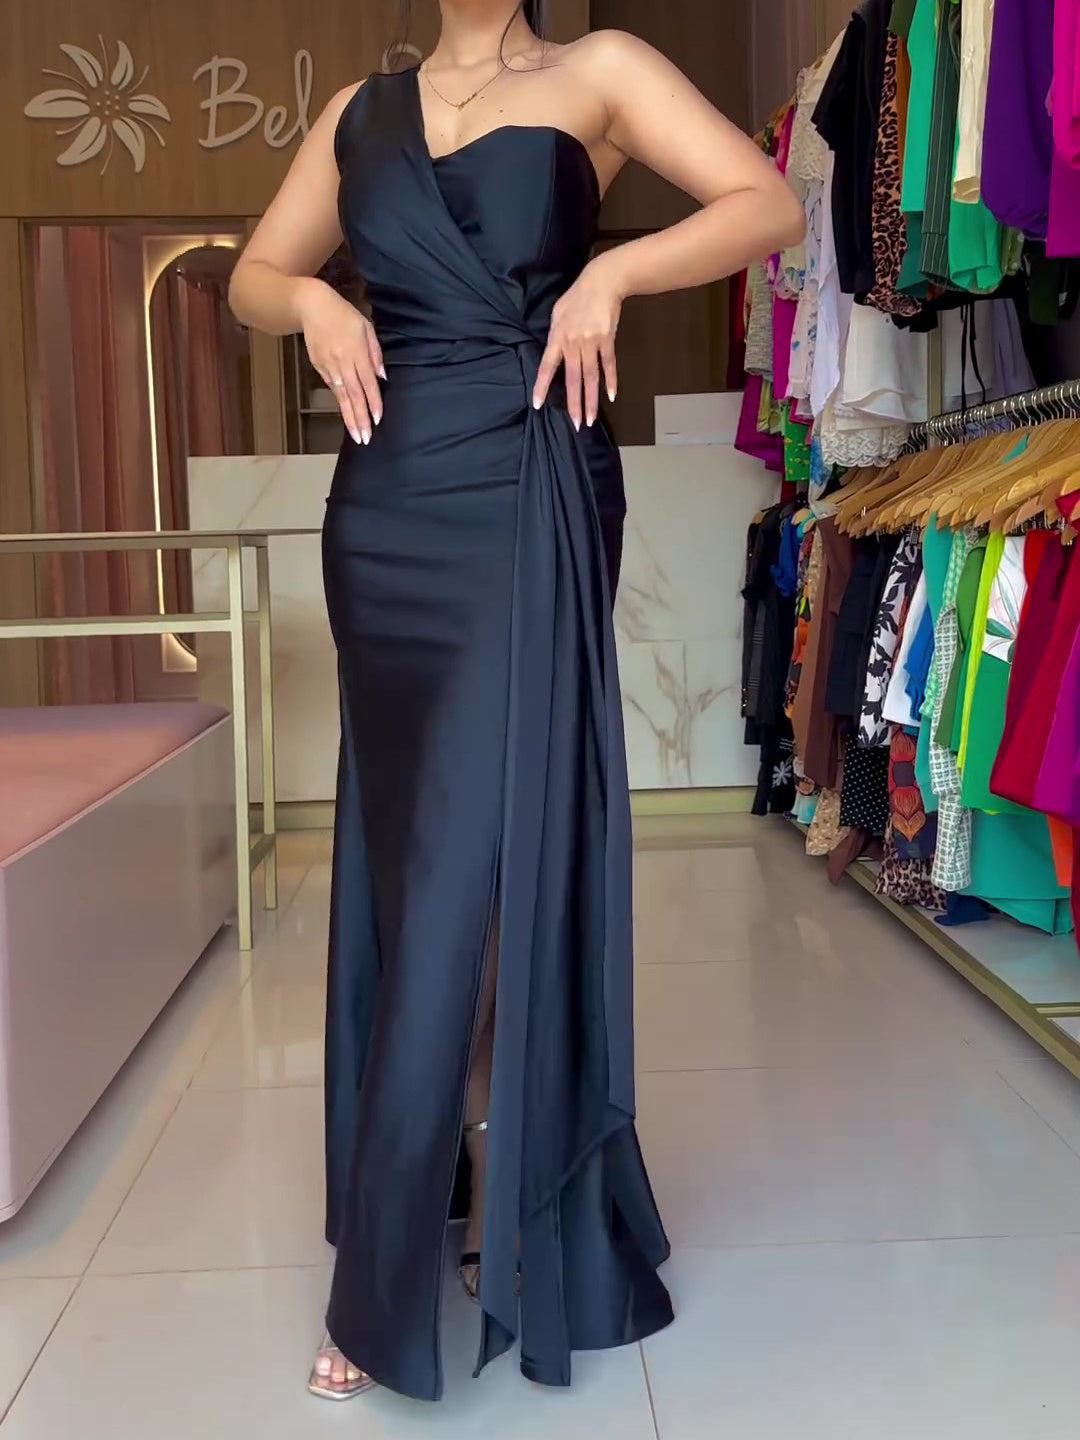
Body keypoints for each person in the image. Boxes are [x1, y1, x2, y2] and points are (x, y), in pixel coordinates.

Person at [229, 0, 804, 1405]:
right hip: (387, 511)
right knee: (411, 870)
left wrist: (614, 275)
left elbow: (769, 204)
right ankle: (461, 1178)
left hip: (530, 485)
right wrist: (311, 302)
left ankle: (393, 1268)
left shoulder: (598, 71)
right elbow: (252, 274)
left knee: (471, 869)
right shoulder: (359, 113)